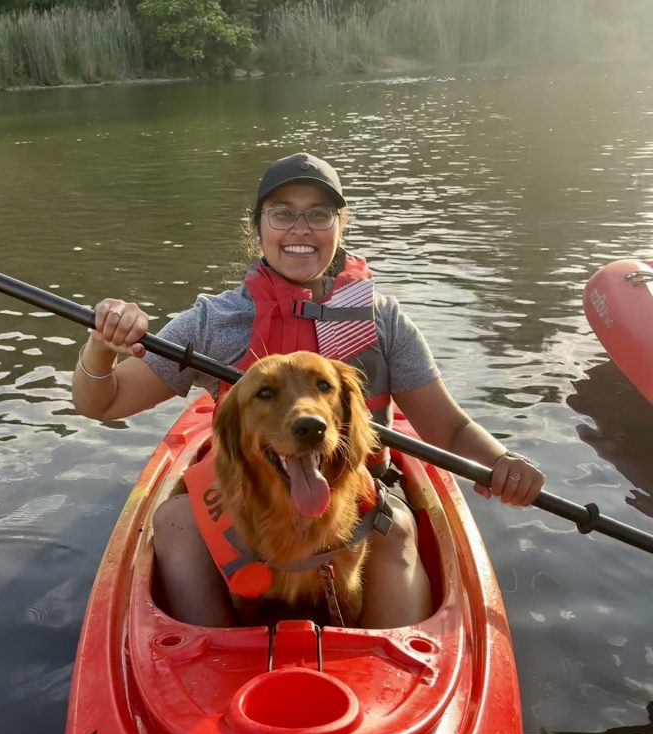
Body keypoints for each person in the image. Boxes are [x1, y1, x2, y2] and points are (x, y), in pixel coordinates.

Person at [72, 152, 544, 628]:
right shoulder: (215, 322)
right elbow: (104, 401)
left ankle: (387, 658)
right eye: (283, 213)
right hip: (244, 493)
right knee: (175, 523)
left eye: (319, 214)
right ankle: (210, 655)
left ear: (340, 225)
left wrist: (500, 462)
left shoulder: (383, 319)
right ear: (258, 227)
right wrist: (101, 346)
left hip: (352, 489)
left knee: (398, 529)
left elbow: (450, 428)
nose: (300, 229)